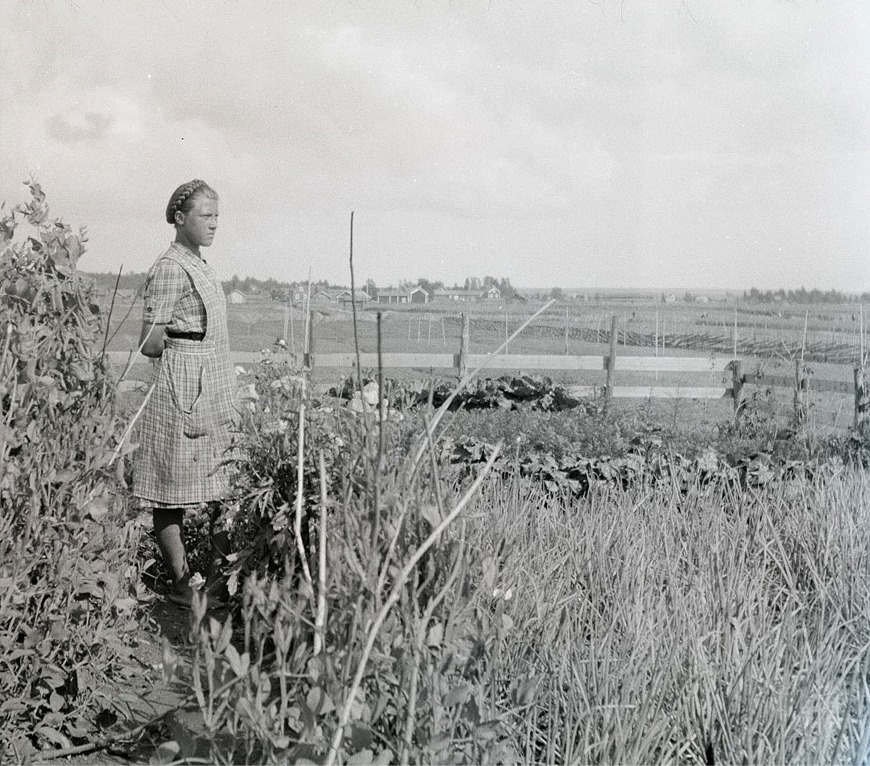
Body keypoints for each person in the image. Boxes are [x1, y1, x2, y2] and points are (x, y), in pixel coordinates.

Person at [133, 179, 238, 607]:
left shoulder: (198, 262)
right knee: (169, 485)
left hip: (211, 378)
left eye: (217, 216)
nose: (214, 224)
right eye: (205, 216)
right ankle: (182, 585)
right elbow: (148, 342)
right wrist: (185, 353)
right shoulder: (171, 267)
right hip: (183, 385)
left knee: (221, 482)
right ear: (179, 218)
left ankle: (213, 583)